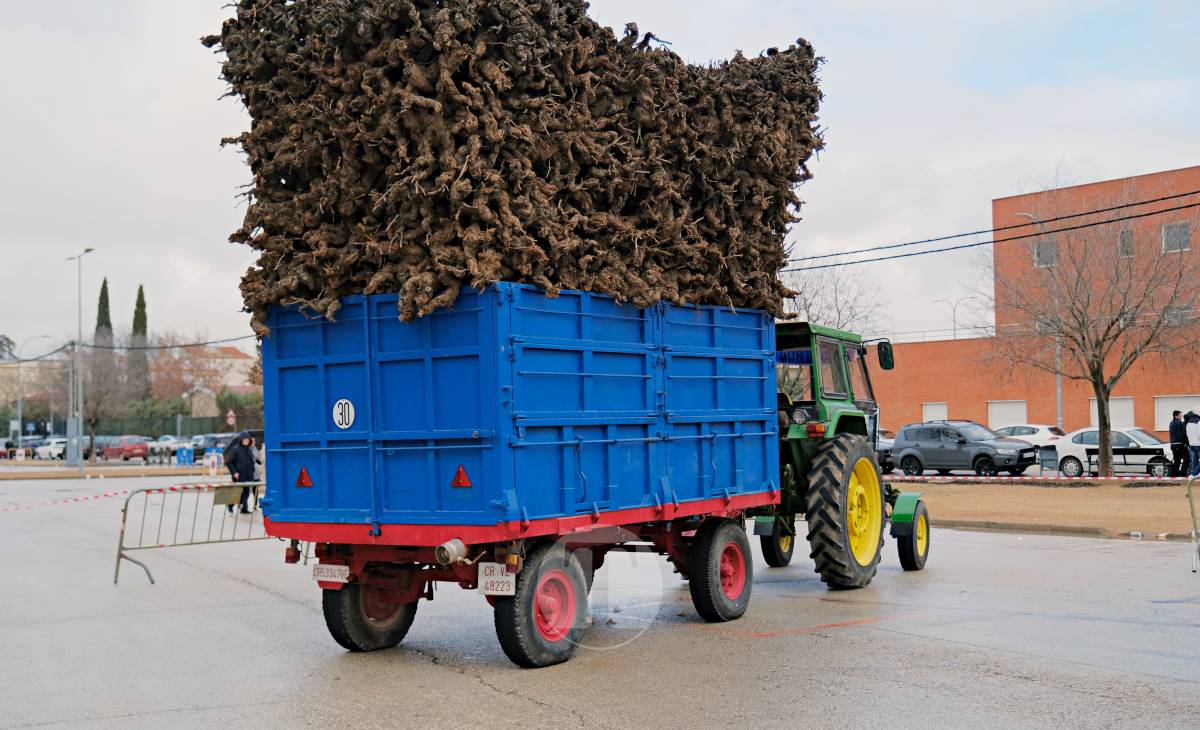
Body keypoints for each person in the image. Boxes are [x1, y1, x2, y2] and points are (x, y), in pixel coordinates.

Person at [225, 431, 257, 514]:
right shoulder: (235, 449)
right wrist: (234, 472)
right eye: (244, 439)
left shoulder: (249, 450)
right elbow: (229, 462)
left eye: (247, 439)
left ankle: (244, 508)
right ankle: (230, 505)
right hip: (239, 475)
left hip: (248, 475)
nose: (246, 441)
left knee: (246, 492)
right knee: (237, 492)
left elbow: (251, 462)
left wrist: (252, 471)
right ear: (241, 440)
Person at [1169, 410, 1190, 477]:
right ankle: (1182, 473)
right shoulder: (1179, 423)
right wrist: (1186, 443)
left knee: (1177, 460)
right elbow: (1181, 434)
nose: (1181, 417)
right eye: (1180, 415)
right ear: (1176, 416)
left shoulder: (1171, 423)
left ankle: (1175, 474)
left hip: (1173, 444)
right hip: (1179, 444)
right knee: (1187, 458)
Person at [1186, 412, 1200, 479]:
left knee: (1195, 460)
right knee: (1196, 461)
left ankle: (1194, 476)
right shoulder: (1199, 422)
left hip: (1191, 444)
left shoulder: (1188, 423)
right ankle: (1194, 473)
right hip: (1198, 444)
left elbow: (1187, 433)